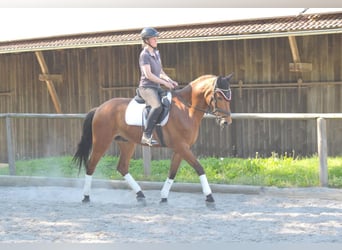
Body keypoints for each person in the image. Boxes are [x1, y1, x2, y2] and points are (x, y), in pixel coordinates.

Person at [138, 27, 178, 146]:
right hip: (146, 87)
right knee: (157, 106)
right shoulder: (144, 55)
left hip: (156, 87)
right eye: (153, 38)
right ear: (146, 40)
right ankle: (146, 135)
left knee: (171, 102)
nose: (156, 40)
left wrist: (170, 80)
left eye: (156, 38)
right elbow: (148, 74)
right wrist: (164, 83)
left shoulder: (156, 53)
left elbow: (160, 71)